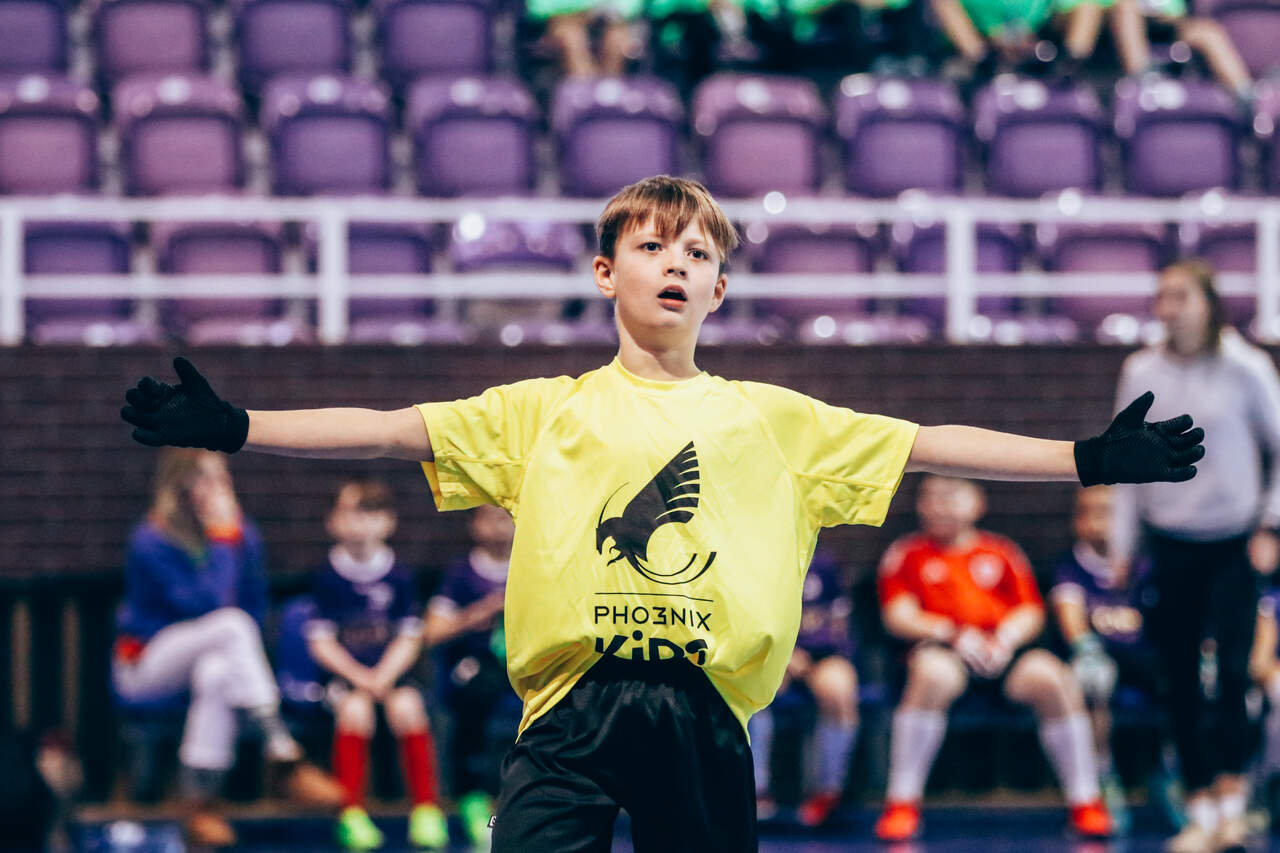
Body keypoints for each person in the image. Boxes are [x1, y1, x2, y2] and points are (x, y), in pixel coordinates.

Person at [120, 175, 1204, 853]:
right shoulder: (541, 411)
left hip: (703, 714)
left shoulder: (774, 419)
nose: (676, 264)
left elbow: (929, 443)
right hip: (567, 716)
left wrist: (1083, 458)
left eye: (699, 255)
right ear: (606, 272)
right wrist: (239, 426)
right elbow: (388, 429)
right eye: (652, 246)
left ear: (719, 291)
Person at [1111, 258, 1280, 853]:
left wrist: (1271, 524)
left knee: (1233, 671)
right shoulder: (1141, 370)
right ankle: (1200, 807)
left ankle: (1234, 805)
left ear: (1209, 302)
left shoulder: (1245, 367)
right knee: (1178, 676)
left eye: (1181, 296)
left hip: (1233, 540)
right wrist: (1123, 545)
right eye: (1161, 297)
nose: (1169, 308)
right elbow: (1122, 457)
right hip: (1170, 540)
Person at [112, 449, 343, 847]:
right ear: (180, 488)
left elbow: (254, 606)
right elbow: (206, 605)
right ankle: (282, 751)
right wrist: (222, 538)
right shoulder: (152, 538)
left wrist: (230, 537)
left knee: (217, 671)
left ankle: (199, 804)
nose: (217, 489)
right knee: (229, 625)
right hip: (146, 664)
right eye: (205, 479)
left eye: (222, 478)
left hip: (214, 654)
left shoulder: (242, 534)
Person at [874, 475, 1111, 841]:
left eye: (950, 496)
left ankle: (1086, 801)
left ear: (977, 503)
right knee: (932, 674)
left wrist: (1005, 639)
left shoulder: (1001, 551)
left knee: (1052, 678)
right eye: (929, 498)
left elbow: (1031, 611)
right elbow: (898, 616)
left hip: (1003, 656)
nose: (938, 506)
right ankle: (901, 802)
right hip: (946, 654)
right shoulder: (907, 553)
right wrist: (952, 633)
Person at [304, 479, 448, 850]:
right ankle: (351, 813)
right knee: (355, 711)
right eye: (350, 513)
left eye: (369, 513)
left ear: (388, 521)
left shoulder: (399, 575)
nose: (360, 522)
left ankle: (426, 810)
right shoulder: (326, 576)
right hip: (346, 680)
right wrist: (361, 678)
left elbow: (409, 637)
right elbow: (321, 642)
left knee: (408, 707)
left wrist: (383, 676)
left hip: (391, 677)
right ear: (332, 521)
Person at [1048, 485, 1165, 834]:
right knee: (1093, 679)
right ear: (1078, 520)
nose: (1102, 522)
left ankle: (1173, 769)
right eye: (1092, 512)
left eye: (1110, 513)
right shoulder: (1071, 566)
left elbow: (1167, 617)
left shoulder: (1143, 564)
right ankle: (1101, 774)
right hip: (1101, 659)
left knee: (1185, 679)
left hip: (1144, 659)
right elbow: (1070, 615)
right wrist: (1085, 647)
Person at [422, 504, 517, 847]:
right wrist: (479, 613)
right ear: (474, 524)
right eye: (491, 517)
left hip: (524, 665)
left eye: (507, 517)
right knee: (476, 692)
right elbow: (432, 632)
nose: (500, 526)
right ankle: (473, 797)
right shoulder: (461, 574)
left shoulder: (533, 567)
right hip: (476, 666)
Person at [748, 550, 859, 827]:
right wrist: (783, 652)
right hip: (768, 652)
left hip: (820, 654)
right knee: (752, 689)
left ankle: (828, 792)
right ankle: (755, 789)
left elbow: (840, 623)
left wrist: (819, 654)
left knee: (839, 689)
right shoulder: (754, 557)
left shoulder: (825, 563)